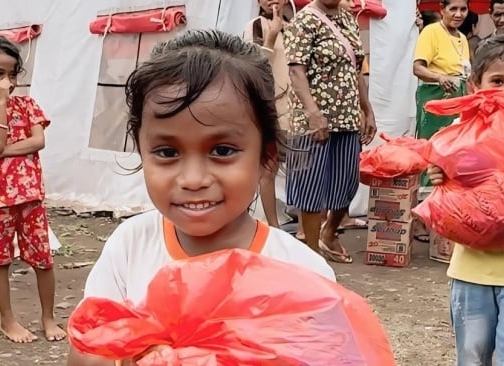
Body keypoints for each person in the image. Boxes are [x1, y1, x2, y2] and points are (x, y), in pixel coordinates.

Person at [66, 29, 336, 366]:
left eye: (222, 151)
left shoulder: (301, 271)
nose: (193, 180)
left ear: (266, 157)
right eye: (167, 152)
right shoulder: (131, 246)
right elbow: (86, 349)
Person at [0, 36, 66, 343]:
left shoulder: (30, 104)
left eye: (12, 74)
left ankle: (48, 318)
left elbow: (38, 141)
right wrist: (3, 104)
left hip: (30, 196)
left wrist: (0, 153)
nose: (6, 81)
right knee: (1, 259)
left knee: (43, 258)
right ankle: (7, 321)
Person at [426, 34, 504, 366]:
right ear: (474, 86)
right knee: (471, 357)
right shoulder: (461, 130)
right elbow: (443, 169)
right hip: (470, 273)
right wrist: (439, 174)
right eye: (498, 81)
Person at [283, 0, 376, 263]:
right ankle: (311, 254)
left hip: (346, 118)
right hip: (313, 121)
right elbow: (296, 71)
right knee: (310, 188)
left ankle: (330, 233)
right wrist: (313, 113)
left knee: (346, 181)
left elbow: (355, 69)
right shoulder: (304, 21)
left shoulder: (348, 19)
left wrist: (366, 109)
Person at [413, 0, 469, 241]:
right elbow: (417, 68)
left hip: (458, 96)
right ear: (442, 10)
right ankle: (420, 220)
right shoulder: (431, 31)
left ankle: (441, 214)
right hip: (436, 96)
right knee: (432, 152)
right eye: (453, 9)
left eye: (463, 9)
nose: (458, 14)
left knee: (452, 156)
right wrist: (439, 77)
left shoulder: (462, 38)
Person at [243, 0, 292, 229]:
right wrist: (271, 36)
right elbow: (253, 66)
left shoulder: (295, 24)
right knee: (269, 169)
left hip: (296, 110)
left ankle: (306, 226)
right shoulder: (255, 26)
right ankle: (274, 226)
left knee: (305, 168)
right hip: (271, 109)